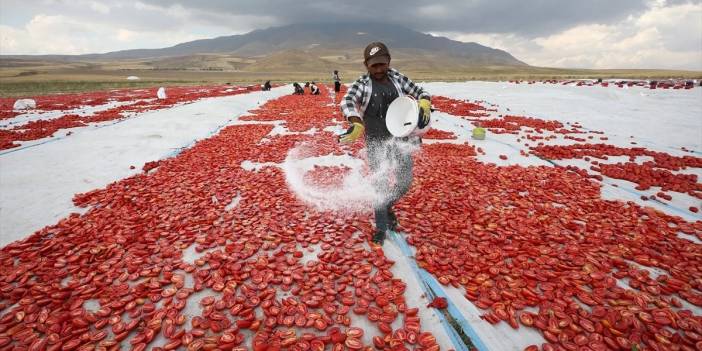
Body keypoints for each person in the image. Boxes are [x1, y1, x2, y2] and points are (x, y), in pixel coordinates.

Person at [338, 41, 431, 245]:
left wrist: (424, 102)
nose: (379, 69)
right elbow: (347, 101)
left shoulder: (398, 77)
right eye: (374, 66)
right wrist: (356, 123)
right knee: (380, 183)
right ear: (366, 65)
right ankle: (380, 227)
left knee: (404, 181)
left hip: (400, 138)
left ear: (388, 61)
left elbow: (421, 92)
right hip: (376, 139)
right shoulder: (362, 84)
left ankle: (387, 205)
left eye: (382, 64)